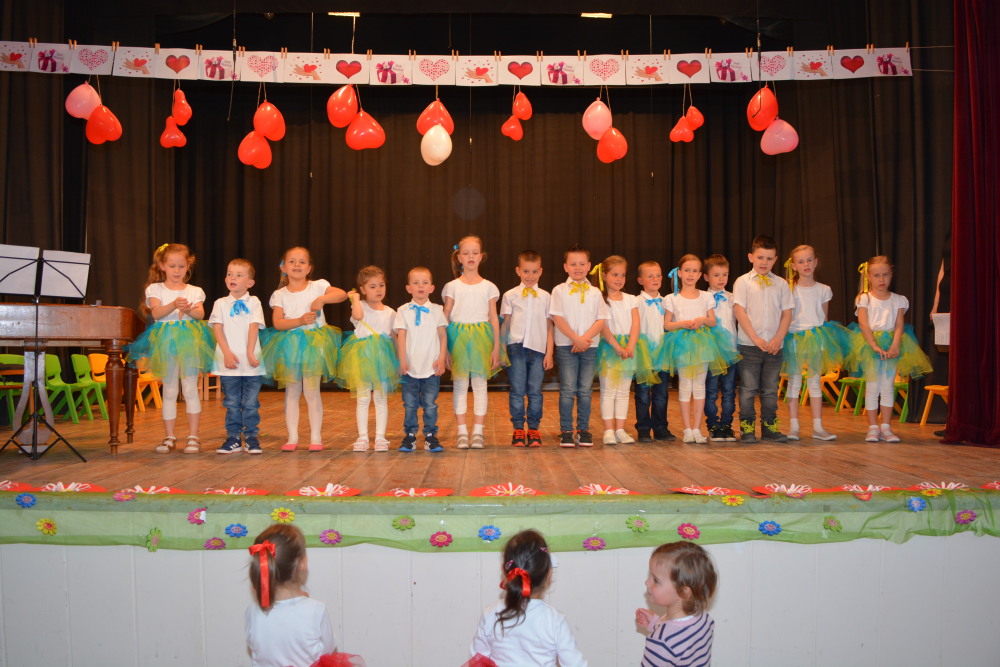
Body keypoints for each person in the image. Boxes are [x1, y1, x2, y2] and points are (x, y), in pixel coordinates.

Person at [127, 243, 214, 454]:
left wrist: (188, 309)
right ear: (162, 265)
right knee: (170, 389)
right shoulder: (155, 289)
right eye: (172, 266)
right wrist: (174, 304)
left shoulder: (195, 291)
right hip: (165, 341)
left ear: (188, 266)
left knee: (190, 387)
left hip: (190, 340)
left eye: (181, 266)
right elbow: (156, 313)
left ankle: (193, 436)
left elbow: (200, 314)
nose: (177, 270)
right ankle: (169, 436)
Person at [260, 246, 347, 452]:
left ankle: (316, 437)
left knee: (311, 390)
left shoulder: (318, 286)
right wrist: (299, 320)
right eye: (292, 261)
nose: (297, 265)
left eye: (302, 262)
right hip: (289, 345)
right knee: (292, 391)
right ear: (283, 267)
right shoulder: (279, 294)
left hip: (314, 345)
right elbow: (278, 323)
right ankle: (292, 437)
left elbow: (342, 294)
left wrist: (322, 299)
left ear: (309, 268)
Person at [846, 256, 933, 443]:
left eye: (885, 275)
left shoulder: (898, 300)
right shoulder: (864, 299)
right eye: (876, 275)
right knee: (872, 387)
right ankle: (872, 427)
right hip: (870, 344)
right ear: (869, 276)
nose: (881, 279)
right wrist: (874, 345)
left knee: (887, 386)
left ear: (891, 275)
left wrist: (895, 345)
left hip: (891, 343)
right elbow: (863, 324)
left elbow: (899, 325)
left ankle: (885, 427)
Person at [469, 529, 587, 667]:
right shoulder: (554, 620)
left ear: (504, 571)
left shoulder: (490, 613)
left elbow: (477, 661)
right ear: (549, 574)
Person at [662, 255, 739, 444]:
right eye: (687, 270)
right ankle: (687, 429)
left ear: (699, 274)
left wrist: (702, 320)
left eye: (695, 271)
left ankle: (697, 429)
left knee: (699, 387)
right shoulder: (672, 298)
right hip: (682, 344)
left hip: (703, 344)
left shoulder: (706, 296)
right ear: (679, 273)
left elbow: (712, 321)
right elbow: (667, 325)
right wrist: (683, 323)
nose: (691, 274)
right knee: (685, 386)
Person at [245, 524, 341, 667]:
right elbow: (328, 653)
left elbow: (254, 647)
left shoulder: (252, 611)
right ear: (302, 564)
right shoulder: (316, 610)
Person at [781, 245, 849, 441]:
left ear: (816, 262)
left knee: (814, 382)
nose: (806, 264)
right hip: (794, 338)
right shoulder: (788, 289)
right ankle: (794, 427)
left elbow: (824, 317)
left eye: (809, 260)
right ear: (793, 266)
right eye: (801, 261)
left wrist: (824, 338)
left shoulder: (823, 290)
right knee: (794, 382)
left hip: (817, 338)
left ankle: (818, 428)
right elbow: (785, 316)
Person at [443, 236, 505, 449]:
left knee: (480, 384)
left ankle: (478, 431)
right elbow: (445, 316)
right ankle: (462, 432)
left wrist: (496, 347)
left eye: (475, 252)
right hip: (457, 338)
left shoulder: (489, 287)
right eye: (466, 253)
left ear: (481, 256)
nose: (470, 256)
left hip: (481, 338)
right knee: (460, 384)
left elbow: (493, 318)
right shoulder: (452, 286)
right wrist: (445, 348)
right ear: (459, 257)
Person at [732, 235, 794, 442]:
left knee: (770, 390)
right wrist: (755, 338)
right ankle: (747, 429)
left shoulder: (782, 284)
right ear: (751, 257)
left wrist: (778, 338)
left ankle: (769, 428)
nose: (764, 262)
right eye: (760, 257)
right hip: (749, 345)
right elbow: (739, 311)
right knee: (748, 389)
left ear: (775, 259)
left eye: (769, 258)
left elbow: (787, 313)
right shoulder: (743, 282)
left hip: (775, 347)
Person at [549, 245, 610, 447]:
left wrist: (584, 340)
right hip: (566, 346)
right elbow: (557, 319)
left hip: (589, 347)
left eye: (582, 264)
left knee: (585, 390)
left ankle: (583, 429)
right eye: (573, 264)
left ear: (589, 266)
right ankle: (566, 430)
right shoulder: (559, 290)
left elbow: (601, 320)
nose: (578, 268)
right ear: (565, 267)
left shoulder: (595, 292)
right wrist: (576, 339)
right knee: (567, 389)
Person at [338, 266, 399, 452]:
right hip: (362, 359)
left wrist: (398, 361)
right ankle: (362, 437)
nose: (378, 289)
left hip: (382, 360)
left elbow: (394, 338)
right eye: (372, 286)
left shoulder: (390, 312)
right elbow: (357, 316)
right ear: (362, 289)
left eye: (381, 285)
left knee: (380, 398)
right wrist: (356, 299)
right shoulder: (360, 307)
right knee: (363, 398)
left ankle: (380, 437)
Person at [595, 255, 656, 445]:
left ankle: (620, 429)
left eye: (622, 275)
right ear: (604, 275)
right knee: (608, 390)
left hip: (630, 348)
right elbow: (603, 325)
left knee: (623, 390)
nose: (619, 279)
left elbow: (636, 324)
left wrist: (630, 345)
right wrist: (616, 346)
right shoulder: (600, 299)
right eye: (614, 275)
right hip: (609, 348)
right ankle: (608, 430)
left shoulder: (631, 299)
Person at [209, 258, 267, 454]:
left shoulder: (254, 302)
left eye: (239, 275)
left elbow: (254, 326)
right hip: (229, 363)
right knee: (232, 402)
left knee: (251, 403)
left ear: (249, 282)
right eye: (229, 274)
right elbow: (218, 329)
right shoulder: (220, 303)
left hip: (251, 363)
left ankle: (251, 437)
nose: (232, 278)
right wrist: (226, 353)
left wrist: (250, 352)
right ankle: (233, 437)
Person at [500, 250, 554, 448]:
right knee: (517, 390)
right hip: (516, 347)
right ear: (518, 271)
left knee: (535, 391)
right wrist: (502, 349)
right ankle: (518, 429)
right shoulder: (510, 295)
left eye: (534, 271)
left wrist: (549, 352)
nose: (530, 276)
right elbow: (505, 324)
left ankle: (533, 428)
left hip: (538, 349)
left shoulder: (546, 296)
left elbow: (549, 326)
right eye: (526, 271)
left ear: (540, 272)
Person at [636, 542, 717, 667]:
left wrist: (659, 632)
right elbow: (680, 641)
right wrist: (655, 623)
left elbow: (669, 643)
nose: (647, 582)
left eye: (656, 580)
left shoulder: (661, 643)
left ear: (684, 593)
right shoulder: (704, 619)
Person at [394, 267, 448, 452]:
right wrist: (402, 359)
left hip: (431, 368)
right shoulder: (402, 310)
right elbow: (401, 336)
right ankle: (409, 436)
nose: (420, 286)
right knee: (410, 405)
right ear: (408, 288)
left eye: (425, 283)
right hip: (410, 368)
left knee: (430, 405)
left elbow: (442, 336)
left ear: (431, 288)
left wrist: (441, 358)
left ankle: (430, 436)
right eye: (416, 283)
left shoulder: (437, 310)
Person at [635, 261, 675, 443]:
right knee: (643, 394)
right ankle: (643, 429)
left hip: (662, 354)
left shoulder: (667, 301)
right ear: (640, 280)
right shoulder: (637, 302)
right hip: (644, 354)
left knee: (661, 395)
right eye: (650, 276)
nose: (655, 279)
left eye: (658, 275)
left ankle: (660, 428)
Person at [702, 255, 738, 442]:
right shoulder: (702, 298)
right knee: (711, 391)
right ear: (706, 277)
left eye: (725, 274)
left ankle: (727, 425)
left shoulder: (733, 298)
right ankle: (713, 426)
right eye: (716, 275)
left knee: (729, 391)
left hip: (731, 352)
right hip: (711, 352)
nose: (721, 278)